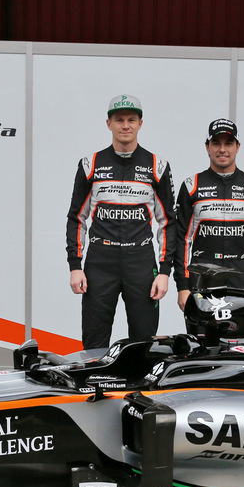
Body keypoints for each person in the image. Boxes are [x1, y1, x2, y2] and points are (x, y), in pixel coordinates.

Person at [66, 94, 177, 350]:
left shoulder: (158, 166)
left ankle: (138, 390)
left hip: (140, 261)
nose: (125, 125)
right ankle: (95, 388)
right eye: (119, 120)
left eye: (131, 119)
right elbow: (77, 217)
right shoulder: (90, 165)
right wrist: (75, 265)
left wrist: (163, 272)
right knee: (94, 340)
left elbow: (167, 222)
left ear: (140, 123)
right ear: (109, 124)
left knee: (143, 341)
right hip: (100, 262)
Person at [174, 118, 244, 313]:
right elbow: (182, 239)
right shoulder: (191, 186)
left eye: (228, 143)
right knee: (202, 340)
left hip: (241, 279)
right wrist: (183, 286)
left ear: (237, 147)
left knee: (241, 340)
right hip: (202, 278)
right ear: (207, 147)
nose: (222, 149)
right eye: (216, 143)